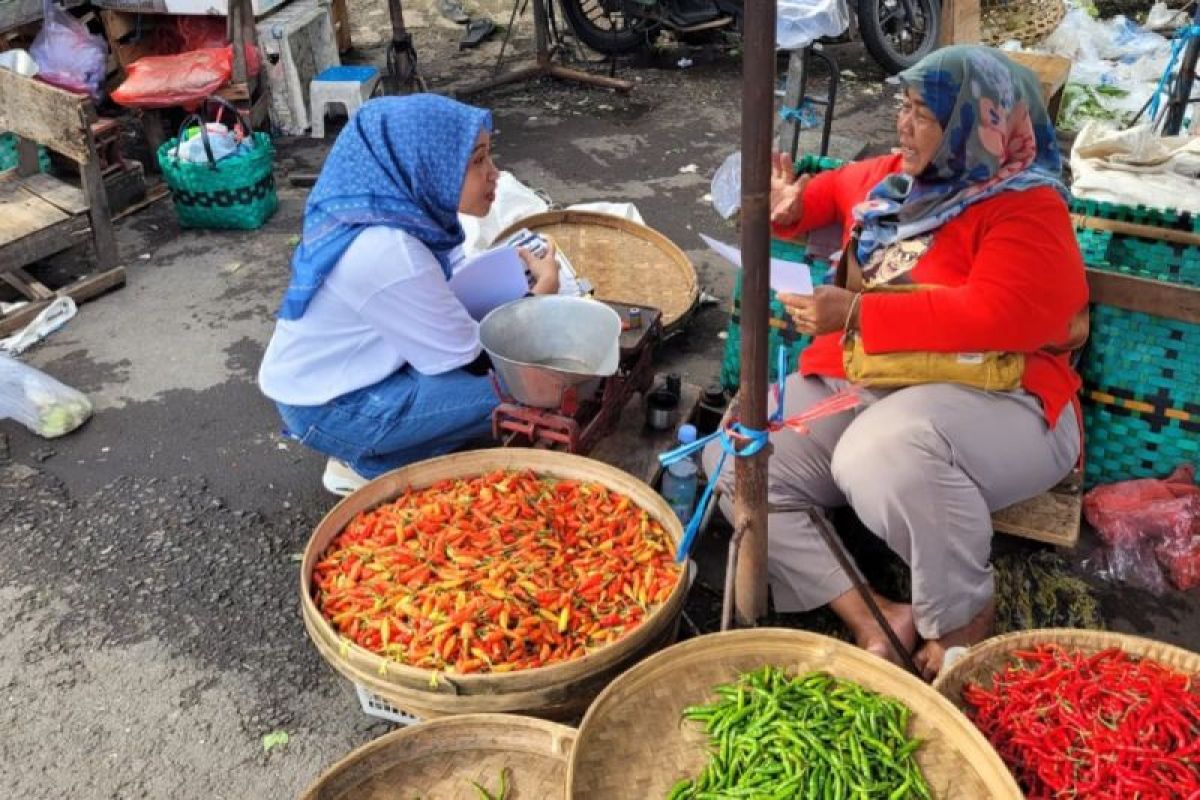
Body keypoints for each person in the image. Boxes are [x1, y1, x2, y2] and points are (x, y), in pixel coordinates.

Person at [704, 46, 1089, 679]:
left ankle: (960, 618)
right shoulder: (893, 183)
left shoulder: (1027, 206)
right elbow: (820, 200)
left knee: (881, 450)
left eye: (922, 113)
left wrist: (857, 315)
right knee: (735, 456)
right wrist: (790, 206)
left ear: (978, 123)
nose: (902, 126)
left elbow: (998, 314)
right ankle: (876, 617)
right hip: (874, 385)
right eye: (900, 107)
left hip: (1004, 405)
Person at [258, 95, 559, 496]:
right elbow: (471, 359)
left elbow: (446, 292)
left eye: (489, 156)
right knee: (537, 387)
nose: (495, 174)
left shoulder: (398, 209)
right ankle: (371, 461)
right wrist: (543, 294)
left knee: (510, 377)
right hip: (333, 408)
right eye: (476, 161)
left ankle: (389, 448)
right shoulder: (388, 249)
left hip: (351, 376)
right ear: (426, 166)